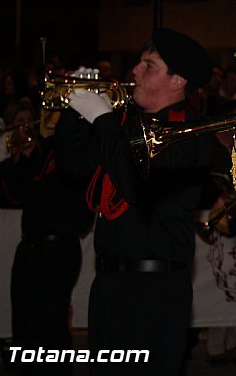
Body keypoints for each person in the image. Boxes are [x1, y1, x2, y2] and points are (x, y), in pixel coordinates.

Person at [56, 28, 214, 375]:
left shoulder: (189, 134)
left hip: (155, 293)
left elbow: (139, 188)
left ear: (178, 81)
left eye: (149, 66)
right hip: (110, 286)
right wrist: (74, 111)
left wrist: (103, 120)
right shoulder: (126, 123)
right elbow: (73, 167)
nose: (135, 72)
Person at [1, 102, 94, 376]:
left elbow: (67, 205)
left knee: (51, 324)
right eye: (22, 119)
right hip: (30, 246)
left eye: (33, 118)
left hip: (57, 247)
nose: (29, 125)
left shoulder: (64, 156)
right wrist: (21, 156)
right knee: (25, 322)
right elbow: (15, 195)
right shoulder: (35, 158)